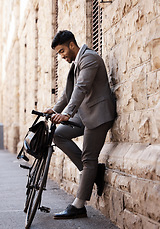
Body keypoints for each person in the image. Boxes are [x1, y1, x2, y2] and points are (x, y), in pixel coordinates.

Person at [45, 30, 116, 219]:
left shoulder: (90, 59)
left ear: (71, 45)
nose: (61, 56)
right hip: (84, 114)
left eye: (61, 51)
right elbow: (68, 94)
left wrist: (67, 113)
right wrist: (55, 109)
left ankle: (79, 205)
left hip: (98, 115)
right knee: (58, 134)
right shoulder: (77, 62)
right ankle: (93, 172)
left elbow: (82, 88)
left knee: (88, 158)